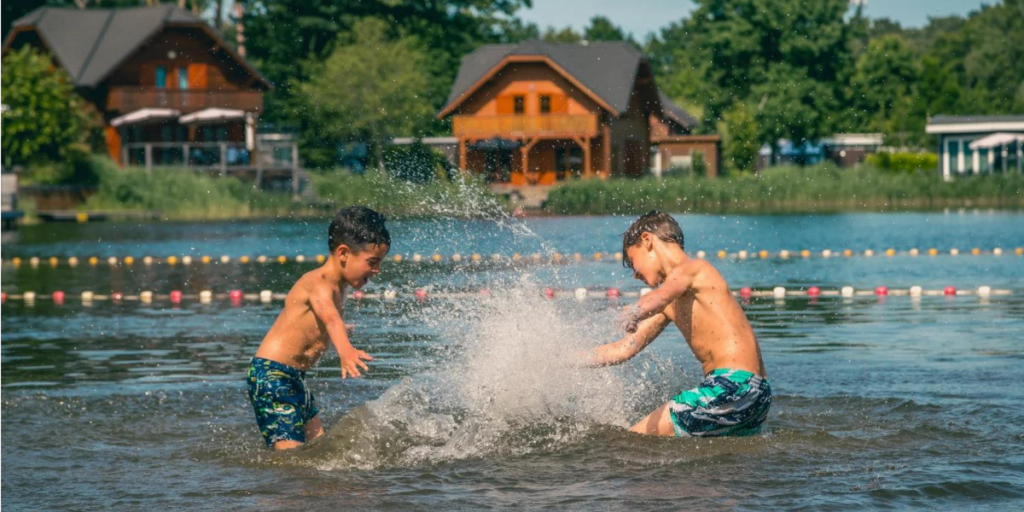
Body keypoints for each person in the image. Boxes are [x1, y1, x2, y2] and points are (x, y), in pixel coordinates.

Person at [582, 211, 771, 437]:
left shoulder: (695, 269)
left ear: (647, 240)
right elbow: (621, 350)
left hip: (732, 386)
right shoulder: (671, 301)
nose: (634, 274)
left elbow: (658, 297)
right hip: (756, 396)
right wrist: (558, 360)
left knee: (630, 442)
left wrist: (632, 313)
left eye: (633, 262)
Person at [247, 206, 390, 450]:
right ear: (344, 253)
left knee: (318, 449)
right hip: (272, 375)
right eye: (372, 262)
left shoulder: (339, 287)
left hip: (294, 377)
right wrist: (346, 351)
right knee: (291, 457)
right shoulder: (318, 284)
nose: (376, 270)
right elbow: (331, 320)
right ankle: (282, 488)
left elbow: (327, 320)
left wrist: (341, 329)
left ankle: (316, 489)